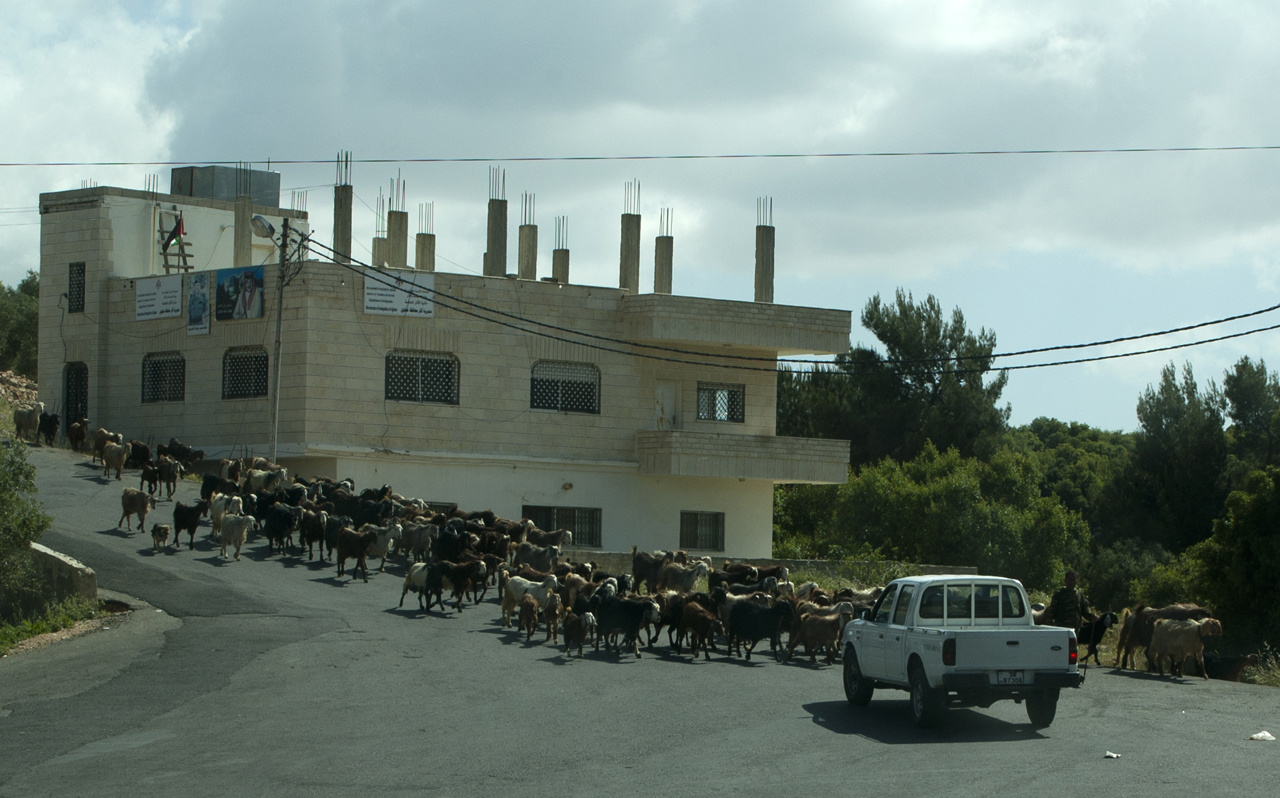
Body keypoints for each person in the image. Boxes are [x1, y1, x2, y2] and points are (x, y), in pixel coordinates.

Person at [1045, 569, 1093, 635]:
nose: (1071, 582)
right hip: (1062, 629)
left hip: (1075, 630)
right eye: (1069, 580)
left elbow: (1084, 612)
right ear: (1065, 581)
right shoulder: (1059, 594)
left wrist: (1093, 618)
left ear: (1076, 581)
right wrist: (1050, 628)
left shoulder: (1079, 595)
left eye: (1073, 580)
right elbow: (1051, 612)